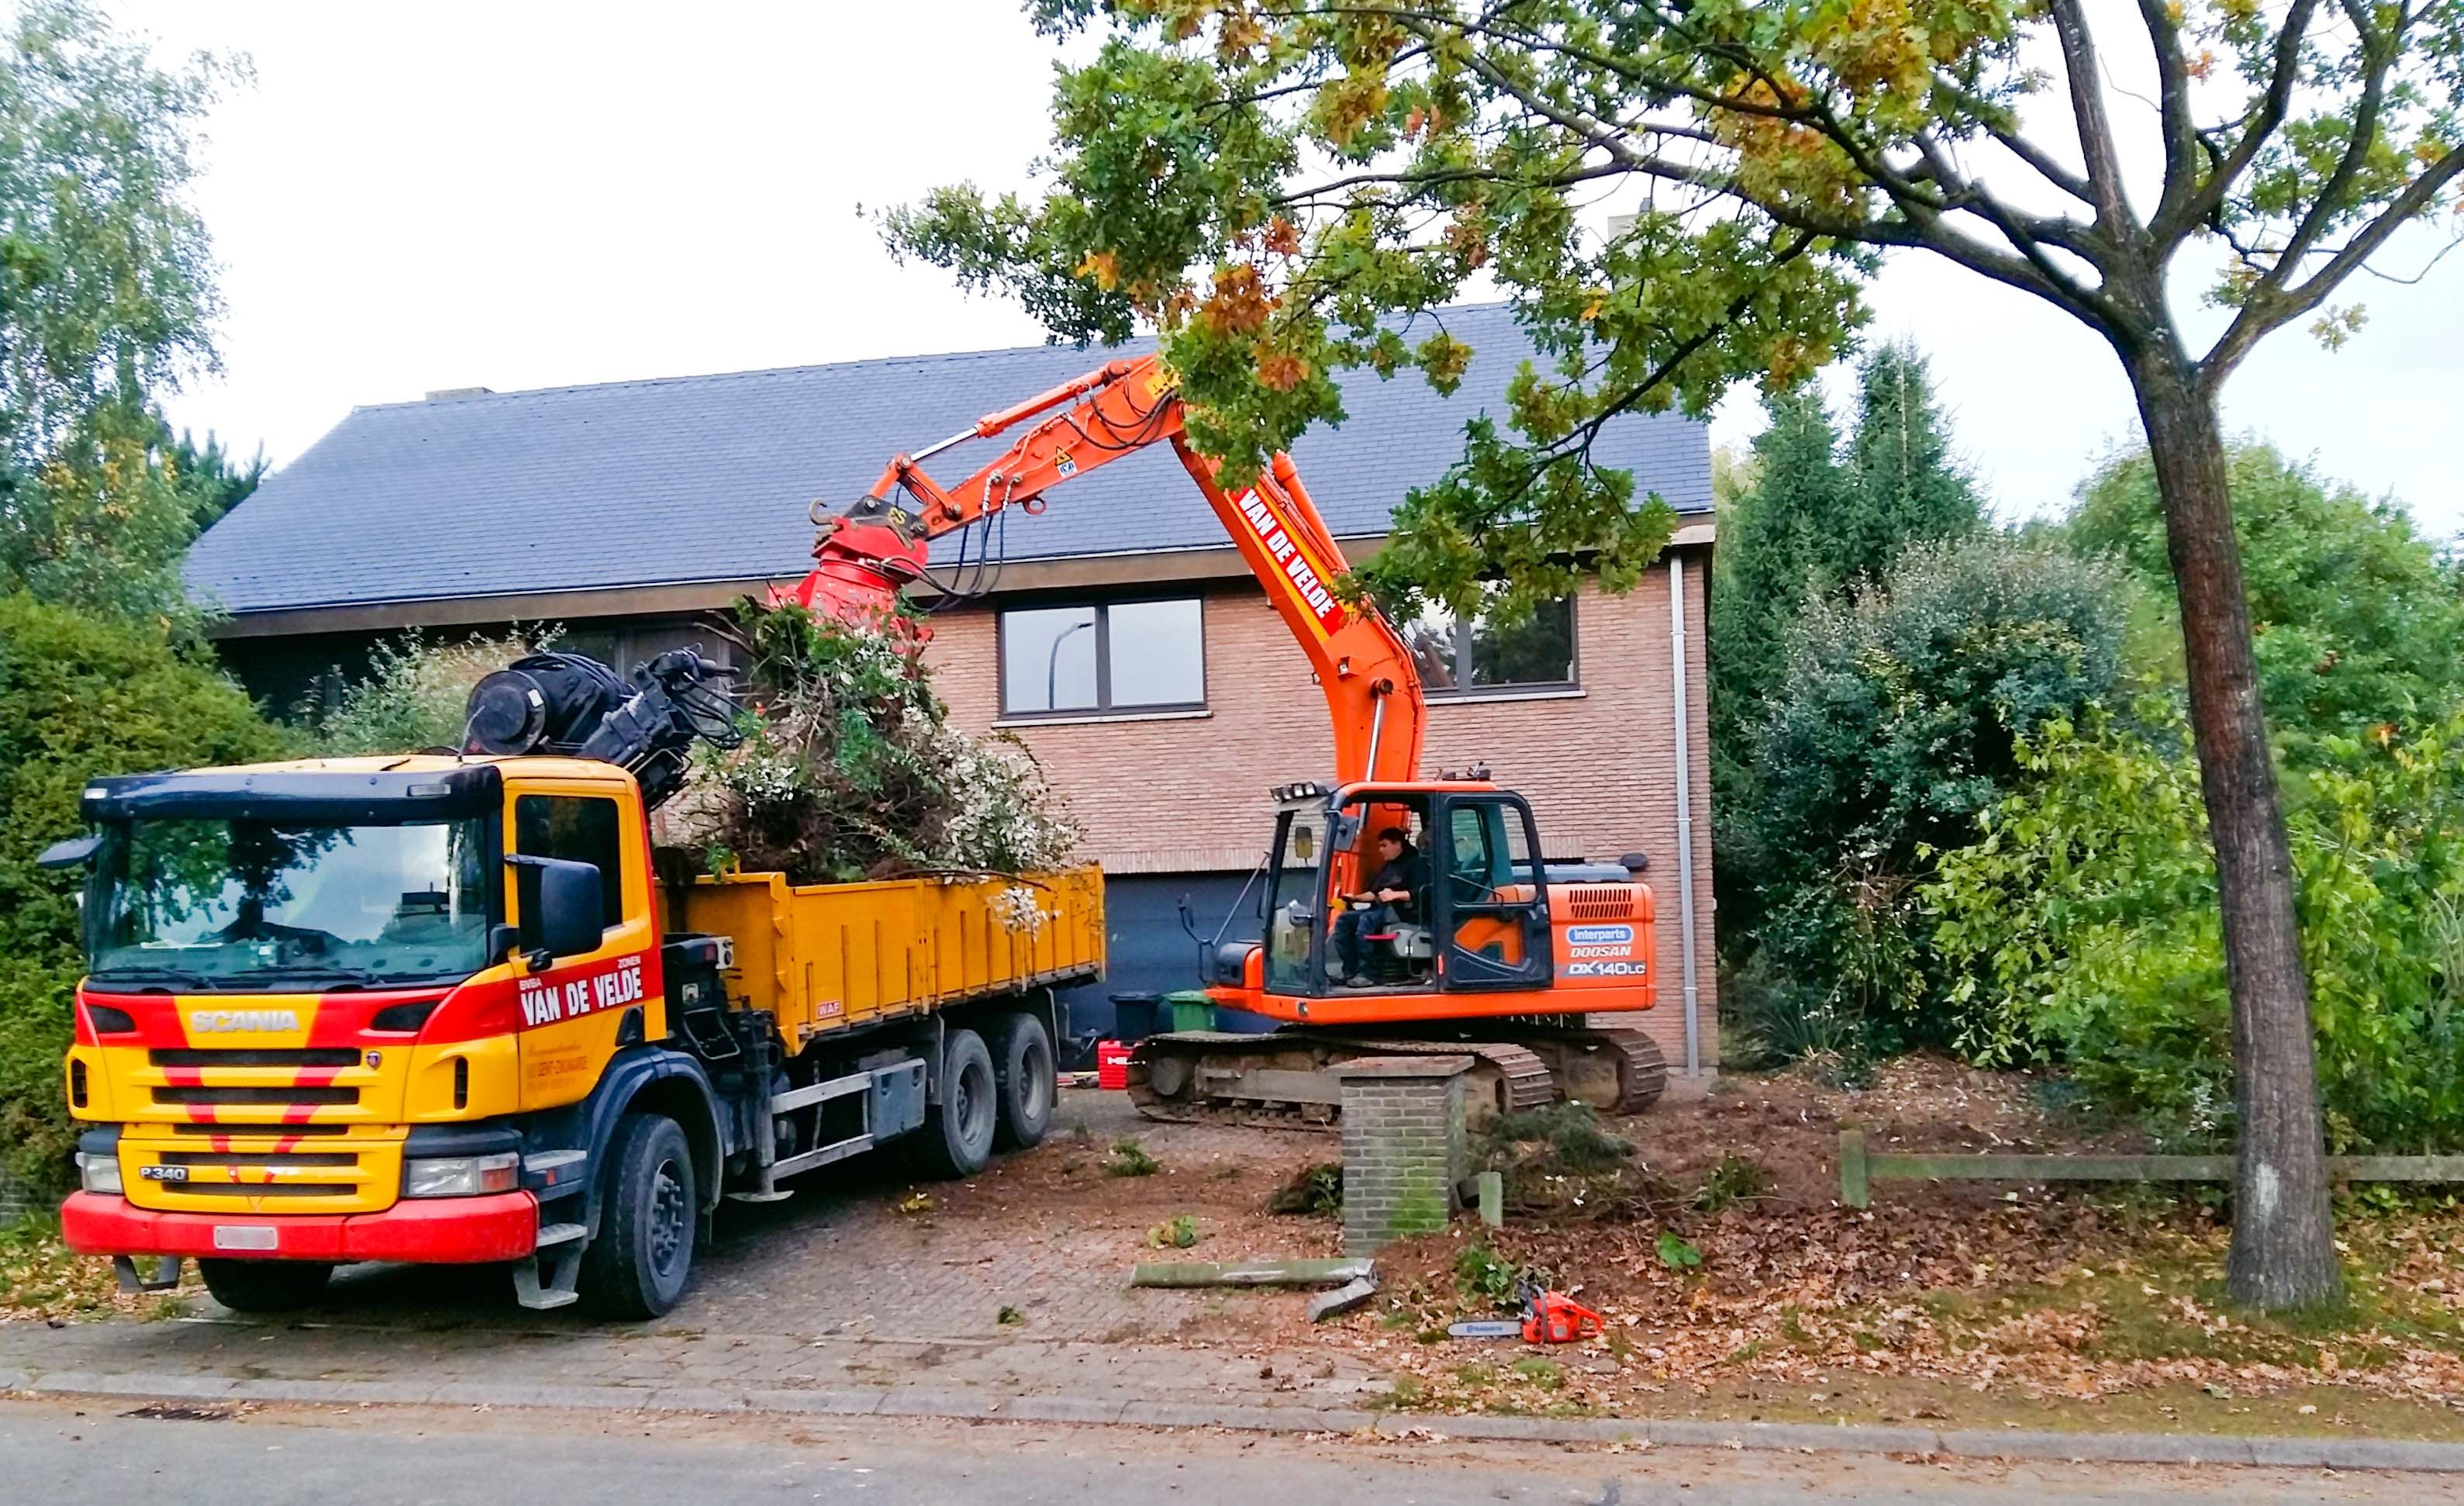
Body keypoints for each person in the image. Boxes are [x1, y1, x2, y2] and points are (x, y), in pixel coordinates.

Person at [1331, 825, 1428, 986]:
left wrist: (1396, 895)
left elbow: (1425, 892)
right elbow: (1374, 893)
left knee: (1366, 921)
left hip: (1406, 911)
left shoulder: (1416, 864)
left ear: (1397, 844)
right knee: (1345, 921)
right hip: (1384, 911)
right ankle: (1350, 971)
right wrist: (1355, 898)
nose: (1381, 850)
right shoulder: (1389, 866)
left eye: (1384, 845)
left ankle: (1368, 974)